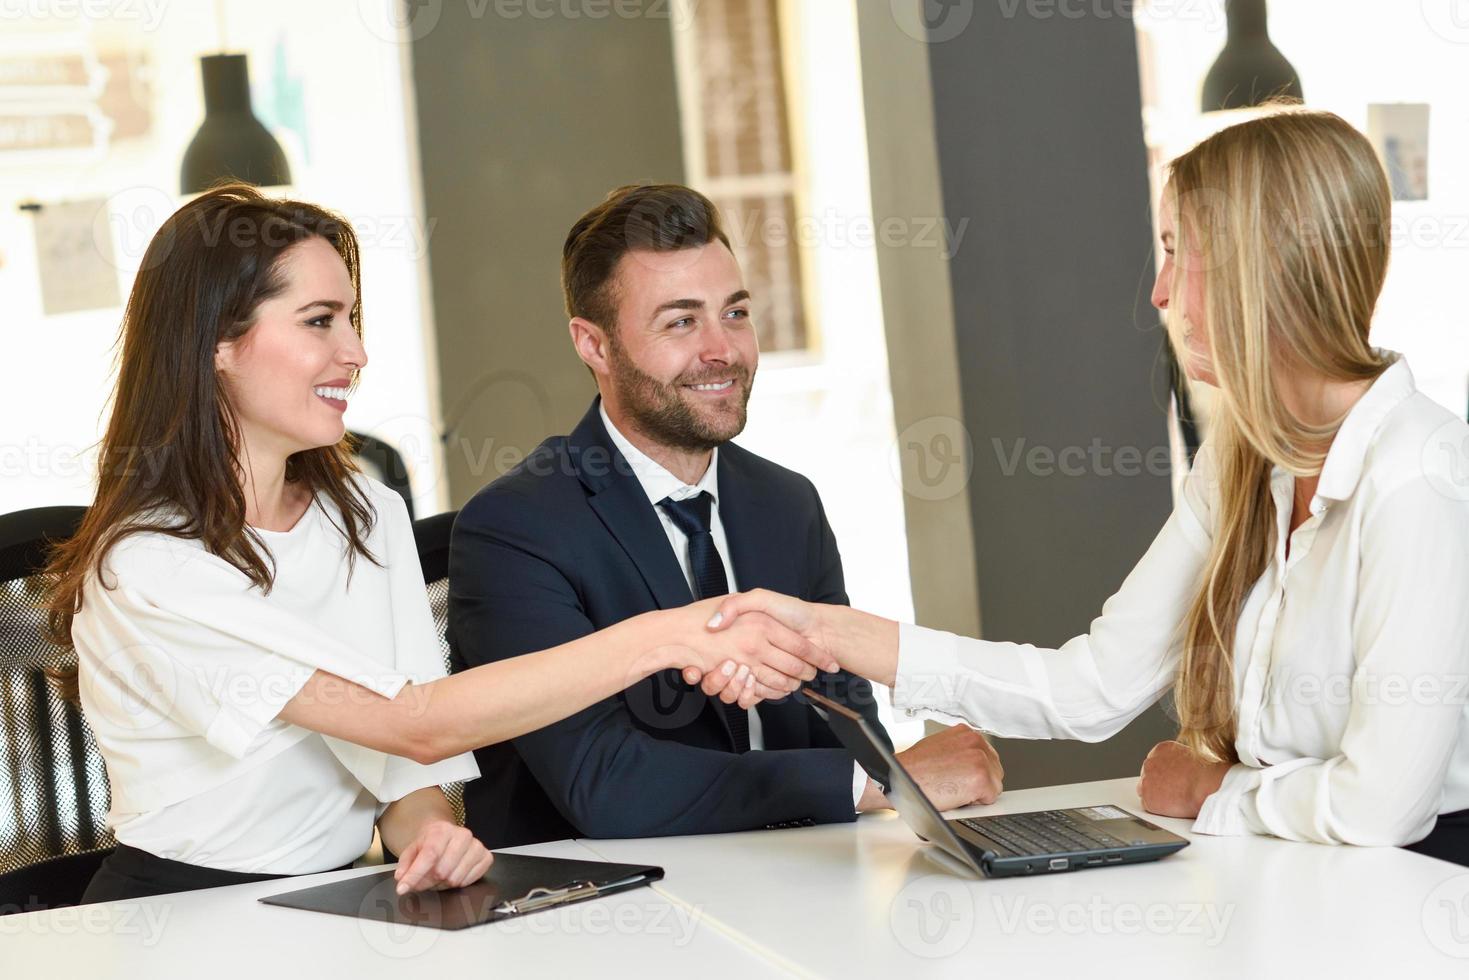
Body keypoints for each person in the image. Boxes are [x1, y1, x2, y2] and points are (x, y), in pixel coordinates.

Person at [698, 109, 1469, 866]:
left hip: (1421, 890)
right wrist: (829, 633)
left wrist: (1212, 789)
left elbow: (1380, 808)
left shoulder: (1417, 474)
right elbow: (1090, 687)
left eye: (1177, 251)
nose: (1160, 293)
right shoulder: (1241, 455)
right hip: (1300, 879)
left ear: (1263, 264)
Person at [43, 184, 820, 904]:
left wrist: (431, 834)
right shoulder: (148, 566)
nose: (356, 351)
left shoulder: (363, 511)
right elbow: (415, 720)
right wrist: (668, 635)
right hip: (184, 913)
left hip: (335, 899)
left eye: (350, 319)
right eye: (319, 321)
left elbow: (401, 767)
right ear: (217, 341)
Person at [448, 183, 1003, 847]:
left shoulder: (785, 504)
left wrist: (879, 779)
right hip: (611, 916)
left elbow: (849, 727)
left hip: (807, 873)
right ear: (592, 345)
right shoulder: (516, 528)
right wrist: (879, 785)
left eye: (734, 313)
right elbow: (605, 786)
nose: (723, 350)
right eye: (681, 322)